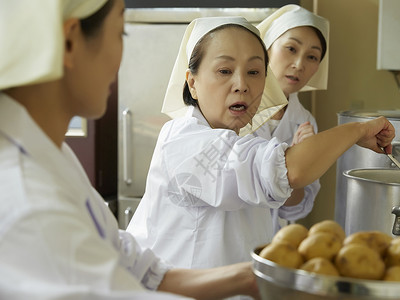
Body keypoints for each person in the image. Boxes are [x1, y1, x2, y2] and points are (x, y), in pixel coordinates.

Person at [0, 1, 260, 299]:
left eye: (254, 71)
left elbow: (135, 270)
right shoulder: (27, 202)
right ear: (70, 42)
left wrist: (252, 278)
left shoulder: (50, 155)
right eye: (121, 34)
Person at [126, 14, 395, 279]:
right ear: (192, 83)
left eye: (254, 72)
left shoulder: (243, 136)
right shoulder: (185, 141)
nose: (242, 85)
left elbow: (289, 195)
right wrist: (358, 130)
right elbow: (290, 170)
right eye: (224, 71)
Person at [253, 4, 330, 233]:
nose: (299, 64)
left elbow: (294, 207)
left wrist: (296, 165)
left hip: (266, 242)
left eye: (312, 56)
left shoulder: (305, 122)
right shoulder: (233, 106)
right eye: (291, 48)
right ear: (267, 49)